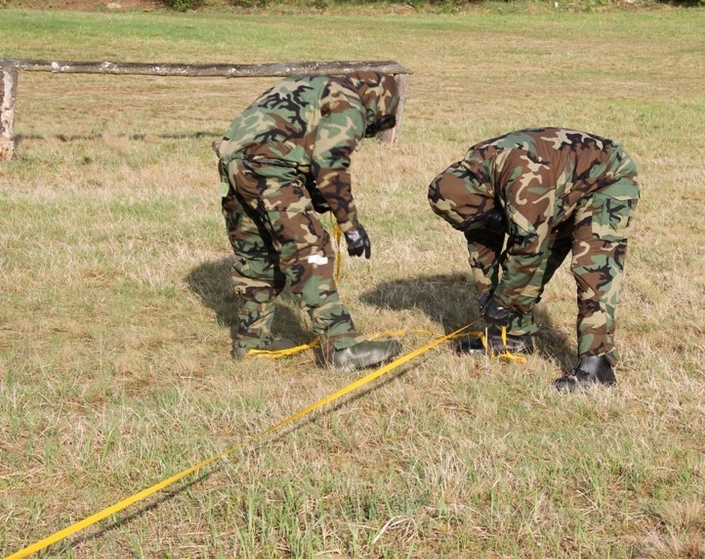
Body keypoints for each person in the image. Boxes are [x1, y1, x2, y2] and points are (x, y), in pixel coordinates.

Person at [427, 127, 640, 391]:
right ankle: (512, 339)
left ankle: (597, 367)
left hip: (606, 179)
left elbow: (529, 250)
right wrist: (487, 298)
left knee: (593, 268)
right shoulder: (469, 183)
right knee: (522, 268)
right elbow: (482, 245)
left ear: (485, 197)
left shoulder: (523, 179)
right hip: (558, 188)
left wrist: (503, 302)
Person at [215, 72, 402, 370]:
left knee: (258, 255)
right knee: (309, 251)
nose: (366, 132)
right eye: (373, 126)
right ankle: (341, 345)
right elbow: (330, 162)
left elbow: (285, 133)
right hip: (270, 169)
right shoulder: (350, 101)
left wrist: (310, 190)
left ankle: (251, 341)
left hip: (234, 163)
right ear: (378, 102)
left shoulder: (312, 85)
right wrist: (350, 226)